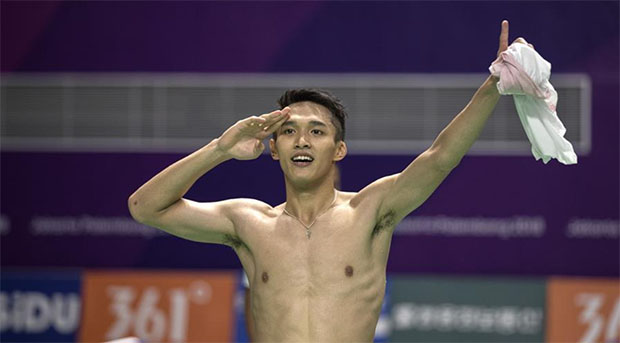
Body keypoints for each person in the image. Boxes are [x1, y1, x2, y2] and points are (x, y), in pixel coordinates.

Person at [129, 20, 529, 342]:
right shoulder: (248, 223)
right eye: (288, 132)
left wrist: (493, 87)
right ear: (273, 148)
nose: (301, 141)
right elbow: (145, 208)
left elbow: (441, 158)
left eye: (317, 132)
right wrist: (220, 147)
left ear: (339, 150)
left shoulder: (370, 210)